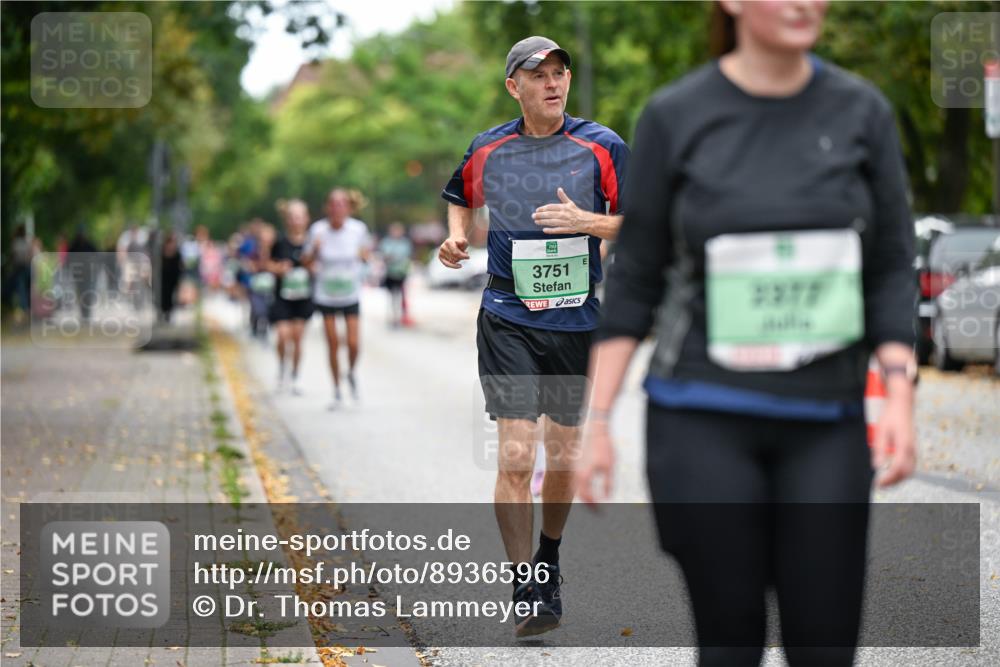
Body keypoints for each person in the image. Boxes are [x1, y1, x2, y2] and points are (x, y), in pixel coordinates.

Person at [576, 2, 917, 665]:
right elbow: (636, 279)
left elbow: (889, 265)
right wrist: (598, 422)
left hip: (827, 419)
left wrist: (899, 393)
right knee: (730, 641)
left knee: (825, 645)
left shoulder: (862, 111)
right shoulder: (676, 115)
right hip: (701, 414)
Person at [438, 35, 628, 637]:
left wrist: (587, 221)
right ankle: (524, 586)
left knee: (563, 457)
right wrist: (456, 235)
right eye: (538, 74)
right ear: (513, 86)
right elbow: (459, 196)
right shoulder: (489, 148)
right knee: (518, 454)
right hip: (507, 315)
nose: (552, 82)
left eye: (559, 72)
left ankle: (549, 556)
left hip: (575, 319)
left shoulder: (602, 146)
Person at [305, 187, 372, 409]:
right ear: (327, 207)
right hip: (325, 294)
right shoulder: (317, 230)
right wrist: (314, 251)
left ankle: (350, 372)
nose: (337, 208)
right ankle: (336, 390)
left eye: (342, 204)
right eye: (333, 204)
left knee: (353, 343)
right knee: (332, 343)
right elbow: (305, 261)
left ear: (349, 208)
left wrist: (365, 256)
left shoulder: (358, 229)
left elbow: (366, 256)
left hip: (350, 292)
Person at [265, 199, 315, 394]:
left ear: (306, 219)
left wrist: (311, 268)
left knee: (297, 338)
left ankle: (295, 376)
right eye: (292, 217)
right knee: (283, 336)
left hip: (303, 297)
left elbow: (319, 265)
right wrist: (279, 269)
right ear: (287, 219)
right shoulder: (279, 242)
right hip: (282, 297)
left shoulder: (312, 242)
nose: (296, 221)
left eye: (299, 217)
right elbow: (267, 263)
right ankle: (281, 368)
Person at [378, 222, 413, 327]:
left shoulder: (405, 243)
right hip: (390, 274)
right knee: (392, 297)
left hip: (402, 273)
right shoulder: (386, 242)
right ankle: (393, 317)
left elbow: (406, 256)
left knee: (402, 296)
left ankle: (402, 316)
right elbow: (385, 256)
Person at [159, 231, 182, 323]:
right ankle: (163, 312)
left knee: (172, 296)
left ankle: (169, 313)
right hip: (163, 278)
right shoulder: (161, 252)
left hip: (173, 278)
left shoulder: (177, 254)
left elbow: (180, 267)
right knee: (163, 295)